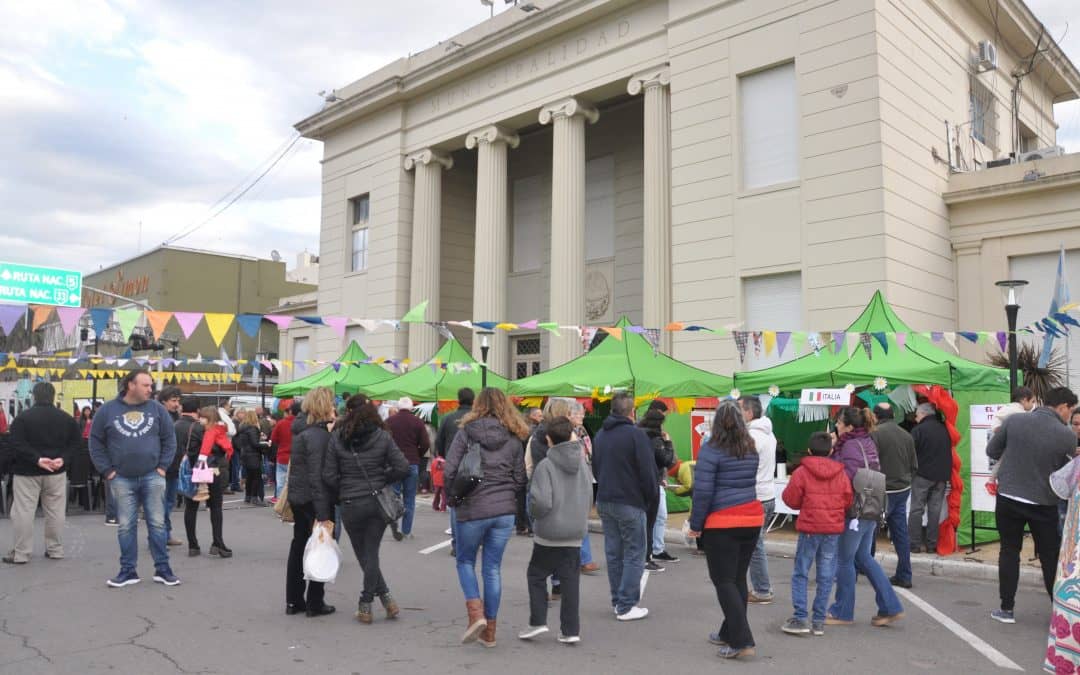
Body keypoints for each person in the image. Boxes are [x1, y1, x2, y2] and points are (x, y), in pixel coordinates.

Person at [445, 387, 528, 648]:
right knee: (492, 569)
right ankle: (489, 631)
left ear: (477, 406)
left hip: (472, 507)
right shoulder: (514, 438)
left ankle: (476, 614)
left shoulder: (466, 434)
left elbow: (449, 470)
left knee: (465, 561)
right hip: (503, 511)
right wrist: (504, 493)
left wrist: (453, 496)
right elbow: (520, 479)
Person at [988, 386, 1078, 624]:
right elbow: (1064, 473)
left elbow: (992, 450)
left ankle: (1006, 609)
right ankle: (1059, 612)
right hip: (1043, 502)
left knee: (1009, 551)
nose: (1070, 416)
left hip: (1008, 496)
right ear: (1062, 407)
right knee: (1049, 556)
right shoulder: (1066, 436)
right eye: (1071, 410)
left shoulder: (1015, 421)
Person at [89, 369, 180, 587]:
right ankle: (128, 571)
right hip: (121, 478)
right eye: (146, 385)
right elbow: (95, 442)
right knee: (126, 527)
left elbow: (170, 440)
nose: (151, 389)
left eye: (150, 385)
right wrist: (107, 471)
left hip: (152, 476)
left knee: (158, 525)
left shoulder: (157, 409)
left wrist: (162, 467)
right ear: (131, 385)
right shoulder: (107, 411)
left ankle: (163, 569)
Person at [323, 396, 409, 623]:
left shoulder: (337, 438)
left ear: (348, 412)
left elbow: (329, 476)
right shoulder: (382, 436)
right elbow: (402, 467)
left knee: (364, 554)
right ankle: (384, 599)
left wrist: (343, 489)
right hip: (376, 500)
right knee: (370, 552)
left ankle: (367, 601)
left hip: (350, 501)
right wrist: (382, 478)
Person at [687, 402, 762, 660]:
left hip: (723, 521)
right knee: (737, 578)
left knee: (724, 581)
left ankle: (742, 640)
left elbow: (703, 491)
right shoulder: (750, 447)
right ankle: (729, 631)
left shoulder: (711, 449)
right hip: (751, 517)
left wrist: (696, 525)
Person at [826, 406, 904, 627]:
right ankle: (890, 606)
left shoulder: (849, 445)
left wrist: (831, 456)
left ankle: (842, 611)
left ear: (849, 427)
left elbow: (845, 476)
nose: (837, 427)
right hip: (871, 506)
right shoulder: (866, 441)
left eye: (839, 423)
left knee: (845, 560)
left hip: (854, 511)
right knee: (863, 558)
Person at [519, 416, 592, 644]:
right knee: (571, 581)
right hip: (575, 531)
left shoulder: (546, 466)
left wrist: (535, 515)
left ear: (549, 439)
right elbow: (589, 495)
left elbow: (541, 502)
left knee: (536, 574)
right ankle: (571, 630)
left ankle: (538, 621)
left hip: (549, 532)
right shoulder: (582, 463)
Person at [780, 432, 852, 636]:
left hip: (810, 528)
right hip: (832, 529)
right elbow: (848, 500)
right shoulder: (841, 473)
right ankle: (819, 620)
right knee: (826, 573)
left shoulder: (802, 472)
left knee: (801, 572)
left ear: (809, 450)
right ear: (831, 451)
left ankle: (800, 617)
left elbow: (790, 499)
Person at [592, 392, 656, 622]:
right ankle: (626, 604)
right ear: (632, 412)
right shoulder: (635, 436)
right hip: (630, 500)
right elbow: (648, 473)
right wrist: (649, 499)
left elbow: (595, 469)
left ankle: (618, 600)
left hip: (606, 498)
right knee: (633, 553)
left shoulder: (600, 435)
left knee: (614, 552)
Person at [3, 383, 81, 565]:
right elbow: (76, 444)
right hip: (56, 471)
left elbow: (15, 443)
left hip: (27, 471)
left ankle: (21, 553)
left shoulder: (22, 419)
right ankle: (55, 549)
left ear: (34, 396)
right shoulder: (67, 419)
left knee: (23, 512)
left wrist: (36, 459)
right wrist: (63, 458)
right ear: (53, 396)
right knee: (55, 512)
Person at [284, 387, 339, 617]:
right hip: (315, 499)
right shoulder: (320, 436)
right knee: (320, 546)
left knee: (298, 548)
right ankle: (315, 601)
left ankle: (294, 600)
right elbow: (318, 476)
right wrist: (323, 512)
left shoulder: (300, 432)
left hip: (298, 496)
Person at [525, 397, 574, 597]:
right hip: (557, 490)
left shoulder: (537, 435)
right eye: (569, 412)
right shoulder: (563, 437)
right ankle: (556, 582)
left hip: (541, 488)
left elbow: (530, 464)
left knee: (544, 540)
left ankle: (549, 582)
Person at [871, 402, 918, 588]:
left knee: (870, 530)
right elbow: (914, 465)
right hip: (902, 488)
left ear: (875, 416)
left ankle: (868, 567)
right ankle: (905, 574)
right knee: (900, 533)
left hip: (882, 488)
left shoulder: (875, 434)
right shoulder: (906, 435)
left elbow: (871, 463)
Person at [739, 395, 776, 604]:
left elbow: (741, 467)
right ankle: (759, 587)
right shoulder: (770, 434)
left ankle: (762, 589)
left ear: (749, 413)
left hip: (756, 496)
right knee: (755, 543)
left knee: (754, 545)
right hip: (768, 495)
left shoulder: (751, 437)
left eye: (739, 409)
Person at [185, 406, 234, 558]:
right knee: (215, 508)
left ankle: (193, 545)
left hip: (195, 471)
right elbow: (223, 451)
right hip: (214, 471)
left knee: (191, 508)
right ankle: (217, 543)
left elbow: (188, 450)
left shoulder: (190, 428)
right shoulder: (218, 431)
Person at [908, 403, 951, 555]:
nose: (916, 418)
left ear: (924, 414)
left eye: (917, 415)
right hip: (941, 476)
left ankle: (914, 544)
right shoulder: (944, 428)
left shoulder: (918, 430)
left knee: (916, 509)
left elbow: (910, 452)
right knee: (935, 510)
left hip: (922, 475)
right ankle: (932, 545)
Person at [386, 396, 430, 540]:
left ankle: (395, 527)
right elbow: (425, 443)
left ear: (398, 407)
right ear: (411, 408)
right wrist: (417, 454)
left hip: (394, 464)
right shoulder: (418, 422)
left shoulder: (389, 422)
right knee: (409, 499)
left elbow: (383, 441)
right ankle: (406, 531)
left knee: (394, 497)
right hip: (412, 463)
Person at [638, 403, 675, 572]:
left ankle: (653, 551)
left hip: (642, 483)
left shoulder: (637, 435)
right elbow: (666, 460)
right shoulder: (656, 439)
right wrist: (668, 443)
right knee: (653, 520)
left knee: (651, 520)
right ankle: (648, 555)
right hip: (653, 483)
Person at [436, 388, 473, 553]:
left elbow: (439, 441)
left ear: (458, 399)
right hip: (473, 464)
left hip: (453, 464)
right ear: (473, 400)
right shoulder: (477, 418)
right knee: (474, 502)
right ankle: (471, 540)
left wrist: (445, 455)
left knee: (454, 503)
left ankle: (456, 543)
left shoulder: (448, 418)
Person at [570, 401, 601, 574]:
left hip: (586, 477)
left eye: (582, 414)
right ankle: (584, 559)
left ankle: (583, 559)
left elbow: (589, 453)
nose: (581, 417)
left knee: (581, 520)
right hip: (575, 480)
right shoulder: (568, 432)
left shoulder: (581, 431)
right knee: (579, 521)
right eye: (578, 414)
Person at [173, 398, 203, 555]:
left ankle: (192, 543)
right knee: (196, 506)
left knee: (187, 508)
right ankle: (213, 542)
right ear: (197, 410)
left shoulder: (174, 425)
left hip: (176, 469)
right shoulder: (198, 427)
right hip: (195, 469)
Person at [157, 387, 183, 546]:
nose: (177, 404)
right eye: (173, 401)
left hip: (173, 466)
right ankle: (160, 536)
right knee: (162, 504)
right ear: (163, 401)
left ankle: (165, 534)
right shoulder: (161, 417)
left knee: (168, 502)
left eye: (178, 401)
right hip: (163, 467)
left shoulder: (174, 416)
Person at [234, 410, 265, 505]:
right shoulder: (253, 429)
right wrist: (266, 445)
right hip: (253, 456)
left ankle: (247, 497)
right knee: (256, 477)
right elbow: (255, 444)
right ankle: (254, 497)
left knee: (249, 477)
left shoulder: (242, 428)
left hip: (244, 455)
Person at [270, 402, 299, 500]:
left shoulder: (281, 423)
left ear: (290, 411)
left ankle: (279, 506)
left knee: (281, 483)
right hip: (296, 458)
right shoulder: (303, 423)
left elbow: (273, 439)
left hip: (282, 456)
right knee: (295, 484)